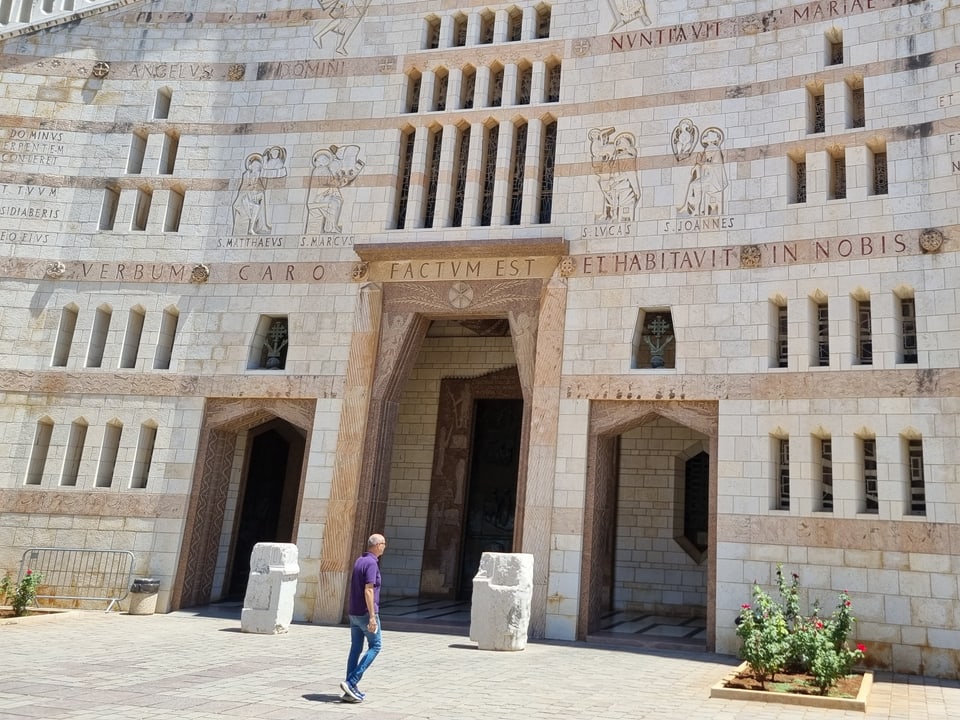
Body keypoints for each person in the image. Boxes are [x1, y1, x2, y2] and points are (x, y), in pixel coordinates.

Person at [340, 533, 386, 703]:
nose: (384, 546)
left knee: (356, 648)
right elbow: (369, 590)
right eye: (383, 543)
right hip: (366, 613)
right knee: (376, 645)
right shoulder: (372, 563)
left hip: (354, 612)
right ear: (376, 545)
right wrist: (372, 617)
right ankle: (351, 682)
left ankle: (349, 690)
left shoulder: (360, 560)